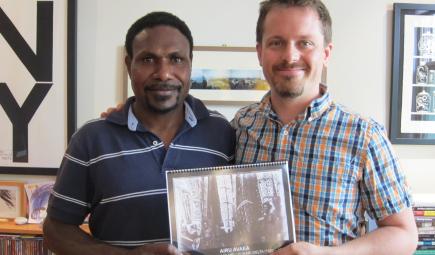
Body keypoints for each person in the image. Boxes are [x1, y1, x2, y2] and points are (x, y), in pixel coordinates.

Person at [231, 0, 418, 254]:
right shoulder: (240, 126)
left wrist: (327, 254)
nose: (290, 55)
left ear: (326, 53)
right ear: (260, 52)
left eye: (305, 43)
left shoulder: (364, 135)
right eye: (277, 42)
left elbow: (404, 235)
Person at [43, 12, 235, 255]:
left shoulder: (222, 132)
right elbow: (55, 230)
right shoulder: (91, 139)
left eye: (176, 59)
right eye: (147, 59)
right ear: (128, 65)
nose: (164, 73)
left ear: (190, 64)